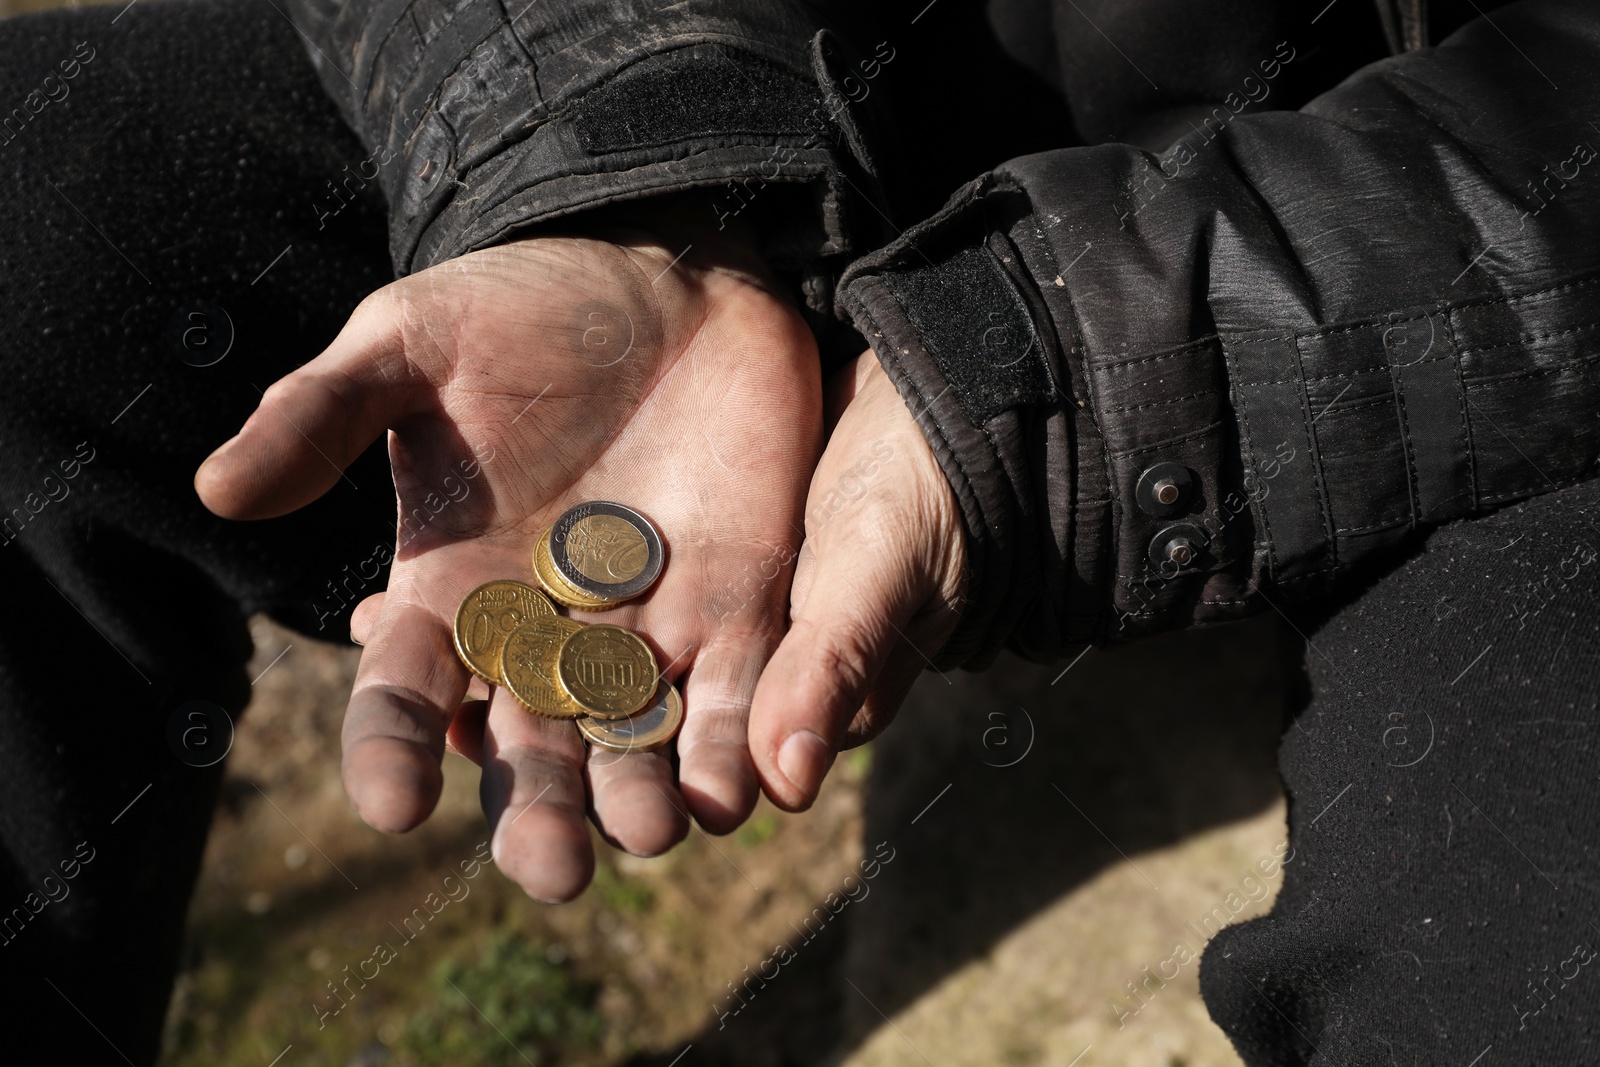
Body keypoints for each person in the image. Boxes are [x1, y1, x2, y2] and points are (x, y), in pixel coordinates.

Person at [0, 0, 1596, 1062]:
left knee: (1521, 951)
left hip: (1518, 296)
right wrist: (597, 172)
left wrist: (1055, 380)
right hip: (825, 117)